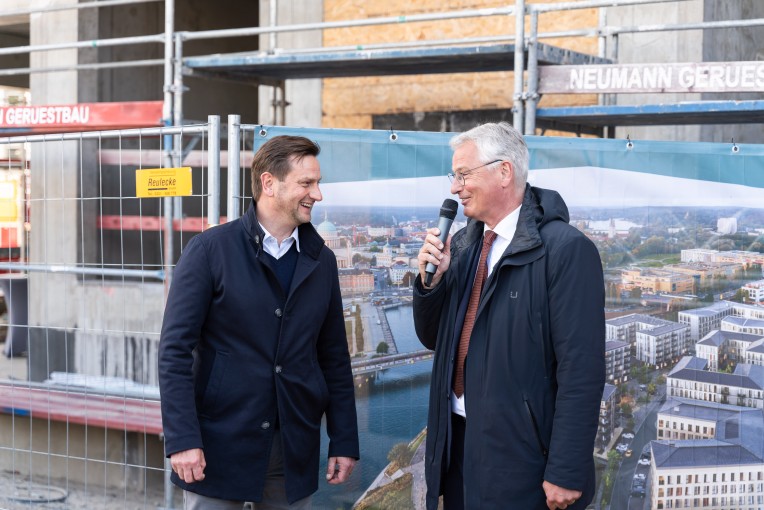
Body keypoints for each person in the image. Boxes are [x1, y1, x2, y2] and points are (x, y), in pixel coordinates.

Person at [159, 135, 359, 509]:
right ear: (269, 183)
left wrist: (344, 439)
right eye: (306, 183)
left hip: (293, 448)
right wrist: (182, 438)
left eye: (317, 183)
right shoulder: (209, 251)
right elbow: (174, 352)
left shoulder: (322, 261)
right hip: (217, 445)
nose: (317, 194)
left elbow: (333, 356)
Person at [414, 122, 605, 510]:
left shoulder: (565, 250)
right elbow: (434, 339)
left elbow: (581, 369)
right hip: (458, 445)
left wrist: (566, 469)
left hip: (522, 460)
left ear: (504, 172)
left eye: (463, 174)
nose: (455, 187)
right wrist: (431, 283)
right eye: (454, 176)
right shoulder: (464, 245)